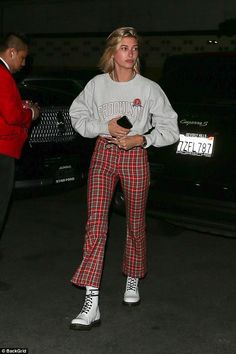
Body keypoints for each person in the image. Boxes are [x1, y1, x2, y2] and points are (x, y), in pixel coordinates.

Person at [69, 26, 179, 330]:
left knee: (134, 221)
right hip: (103, 153)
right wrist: (104, 126)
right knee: (95, 222)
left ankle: (132, 279)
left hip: (134, 156)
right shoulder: (96, 85)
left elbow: (171, 128)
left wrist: (142, 139)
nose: (131, 54)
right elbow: (77, 116)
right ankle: (91, 300)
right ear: (112, 53)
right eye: (125, 48)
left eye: (134, 48)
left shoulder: (149, 89)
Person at [0, 32, 40, 238]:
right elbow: (12, 116)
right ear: (11, 52)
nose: (23, 63)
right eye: (23, 57)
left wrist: (19, 105)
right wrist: (31, 112)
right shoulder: (2, 75)